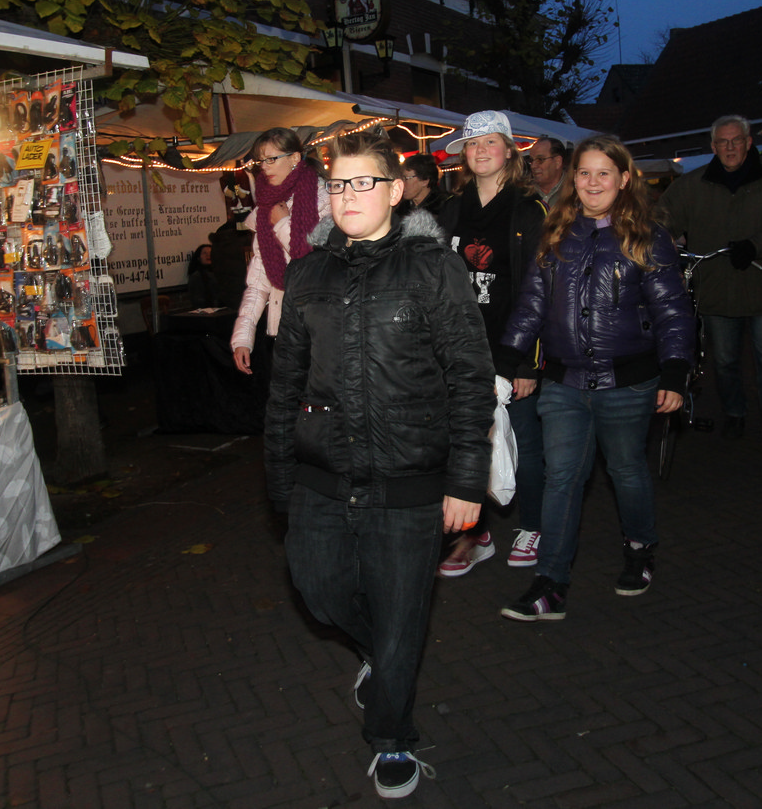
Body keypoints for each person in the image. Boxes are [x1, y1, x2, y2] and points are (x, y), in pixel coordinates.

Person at [265, 132, 493, 799]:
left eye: (363, 182)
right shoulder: (306, 274)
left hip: (408, 477)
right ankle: (378, 653)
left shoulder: (433, 268)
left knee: (401, 616)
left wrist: (464, 480)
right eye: (338, 184)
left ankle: (392, 735)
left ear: (394, 191)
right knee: (317, 589)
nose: (348, 195)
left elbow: (470, 378)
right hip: (322, 473)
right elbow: (284, 386)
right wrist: (279, 479)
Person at [495, 135, 694, 622]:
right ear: (573, 178)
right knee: (562, 478)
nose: (593, 182)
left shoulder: (647, 237)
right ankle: (550, 582)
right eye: (584, 172)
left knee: (626, 470)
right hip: (563, 382)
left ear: (624, 179)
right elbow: (532, 304)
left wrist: (674, 371)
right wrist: (505, 360)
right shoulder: (556, 234)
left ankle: (640, 548)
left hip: (628, 383)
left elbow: (672, 310)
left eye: (604, 172)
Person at [657, 115, 762, 461]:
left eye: (736, 140)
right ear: (713, 147)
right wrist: (662, 241)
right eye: (723, 142)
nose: (730, 148)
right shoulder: (692, 184)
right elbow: (663, 217)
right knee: (725, 360)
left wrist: (757, 245)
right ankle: (735, 412)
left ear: (748, 142)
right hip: (717, 289)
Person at [434, 111, 547, 576]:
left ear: (508, 151)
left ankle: (534, 526)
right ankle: (473, 534)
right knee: (463, 443)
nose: (480, 151)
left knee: (524, 444)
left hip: (510, 348)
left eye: (490, 142)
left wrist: (525, 363)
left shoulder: (529, 209)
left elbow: (539, 290)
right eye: (472, 144)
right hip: (459, 351)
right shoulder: (450, 208)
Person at [230, 128, 329, 380]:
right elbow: (258, 280)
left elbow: (316, 263)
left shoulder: (326, 200)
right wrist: (243, 336)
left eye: (271, 159)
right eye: (260, 161)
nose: (264, 167)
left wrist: (282, 222)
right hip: (281, 330)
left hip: (319, 330)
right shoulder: (265, 205)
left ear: (295, 158)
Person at [527, 136, 571, 210]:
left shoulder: (576, 193)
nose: (533, 166)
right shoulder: (524, 192)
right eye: (531, 160)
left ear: (557, 162)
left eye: (540, 160)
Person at [185, 243, 220, 308]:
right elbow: (197, 300)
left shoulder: (220, 273)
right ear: (198, 257)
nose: (208, 255)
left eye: (210, 253)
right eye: (204, 253)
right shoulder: (196, 276)